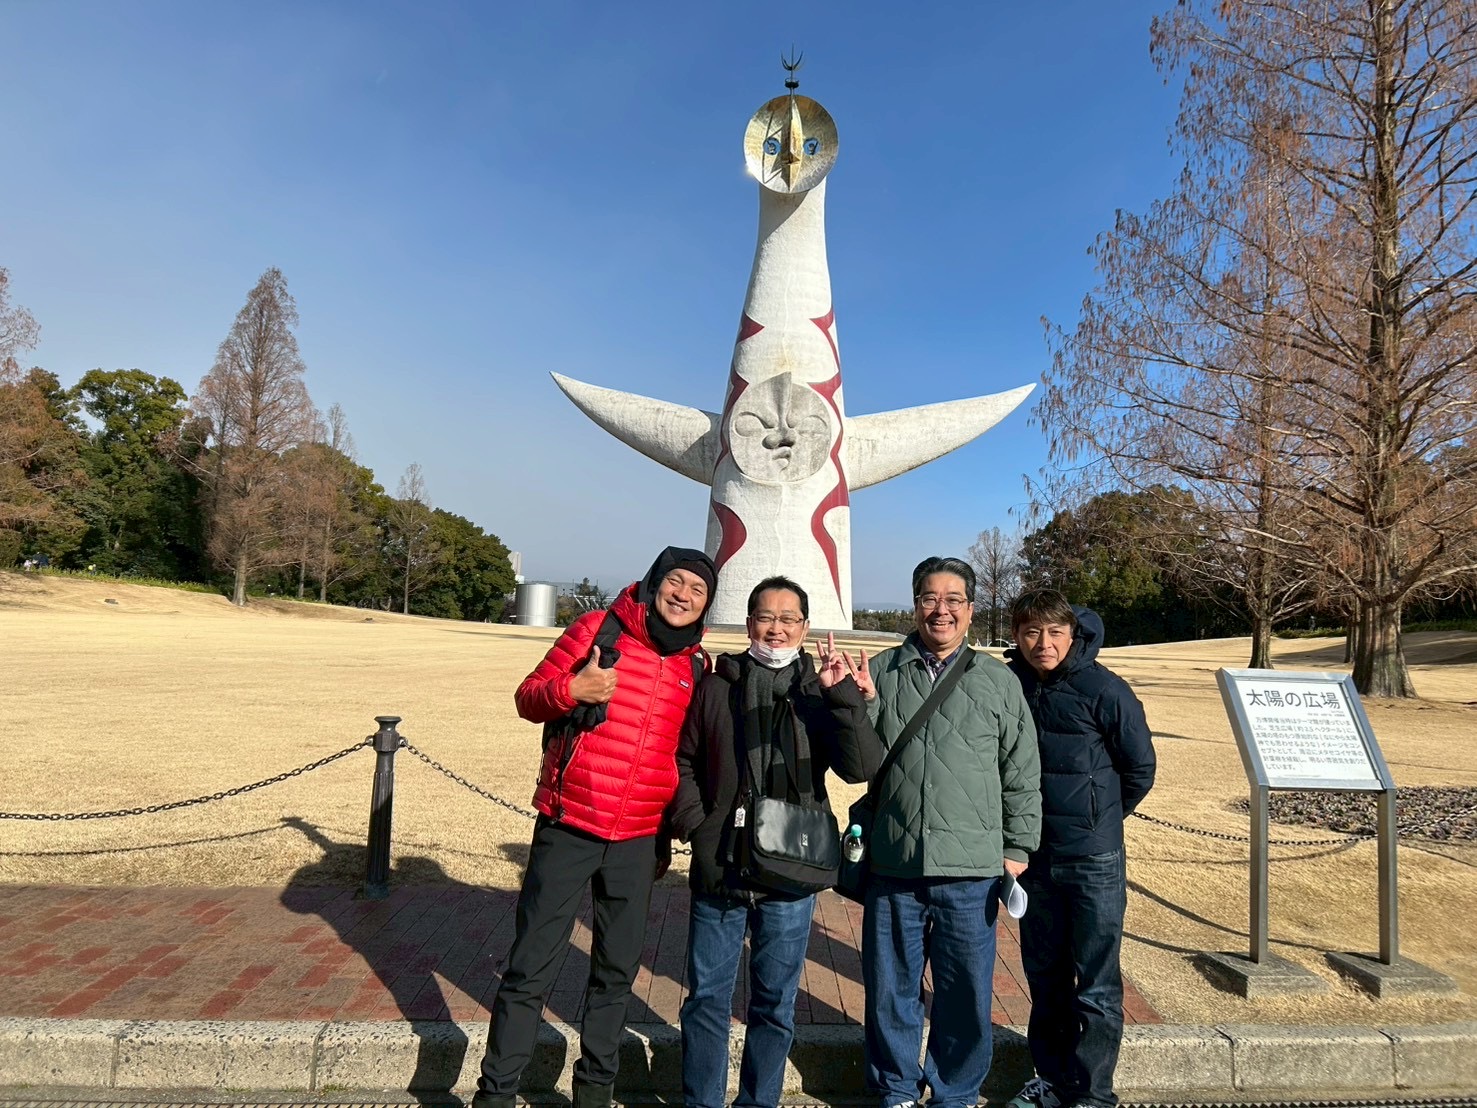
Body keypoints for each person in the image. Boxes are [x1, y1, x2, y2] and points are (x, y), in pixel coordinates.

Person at [469, 547, 717, 1108]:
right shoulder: (596, 629)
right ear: (654, 583)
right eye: (675, 581)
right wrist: (571, 691)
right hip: (570, 823)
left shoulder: (695, 667)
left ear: (706, 604)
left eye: (697, 590)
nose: (682, 595)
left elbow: (684, 756)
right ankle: (497, 1093)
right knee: (531, 966)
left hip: (638, 840)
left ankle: (594, 1093)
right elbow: (528, 698)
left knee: (616, 973)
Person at [668, 576, 883, 1108]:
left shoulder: (817, 689)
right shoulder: (716, 685)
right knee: (706, 999)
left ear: (805, 628)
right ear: (749, 624)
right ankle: (701, 1101)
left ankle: (758, 1101)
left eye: (789, 619)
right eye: (766, 617)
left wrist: (844, 700)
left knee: (774, 1002)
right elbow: (684, 760)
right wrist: (699, 825)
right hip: (723, 863)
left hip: (793, 863)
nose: (776, 628)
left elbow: (860, 767)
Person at [852, 555, 1042, 1108]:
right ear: (915, 605)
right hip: (895, 858)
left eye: (953, 599)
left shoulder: (998, 681)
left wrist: (1017, 847)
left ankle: (955, 1091)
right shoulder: (881, 671)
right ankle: (895, 1088)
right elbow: (857, 761)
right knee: (891, 988)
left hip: (972, 867)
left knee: (964, 992)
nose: (941, 610)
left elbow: (1021, 770)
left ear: (971, 609)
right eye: (930, 598)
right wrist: (854, 705)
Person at [1003, 589, 1155, 1108]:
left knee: (1096, 982)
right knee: (1045, 977)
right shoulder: (1011, 684)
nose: (1043, 643)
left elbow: (1139, 768)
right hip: (1033, 858)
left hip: (1094, 860)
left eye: (1055, 632)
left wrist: (1099, 818)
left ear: (1073, 634)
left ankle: (1093, 1093)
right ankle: (1051, 1078)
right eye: (1031, 632)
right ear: (1016, 635)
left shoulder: (1105, 689)